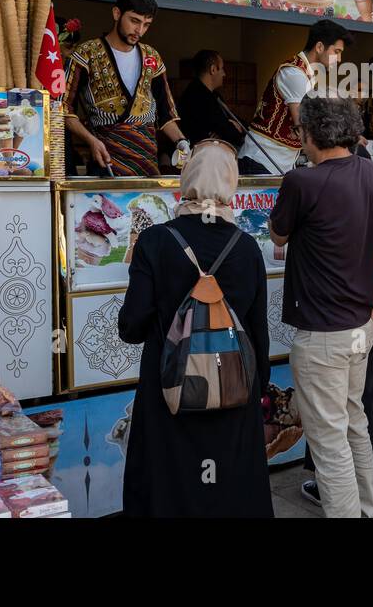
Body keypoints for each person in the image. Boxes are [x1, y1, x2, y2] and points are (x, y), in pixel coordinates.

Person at [268, 97, 373, 517]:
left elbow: (278, 237)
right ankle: (366, 510)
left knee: (331, 441)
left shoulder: (302, 182)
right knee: (355, 426)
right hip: (361, 325)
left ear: (310, 135)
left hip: (322, 334)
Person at [117, 140, 271, 517]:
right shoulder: (248, 247)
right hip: (232, 391)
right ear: (231, 184)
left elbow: (131, 327)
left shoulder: (155, 241)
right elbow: (258, 333)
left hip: (168, 394)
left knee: (169, 487)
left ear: (186, 179)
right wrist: (255, 389)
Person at [64, 0, 190, 176]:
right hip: (106, 160)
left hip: (147, 163)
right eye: (134, 21)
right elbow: (62, 108)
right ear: (116, 13)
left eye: (146, 24)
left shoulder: (152, 57)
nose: (139, 30)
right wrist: (91, 140)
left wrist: (181, 142)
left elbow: (166, 114)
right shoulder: (86, 54)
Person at [298, 285, 373, 506]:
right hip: (371, 318)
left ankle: (336, 491)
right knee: (359, 408)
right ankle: (364, 497)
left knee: (331, 421)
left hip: (338, 322)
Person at [238, 19, 353, 175]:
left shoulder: (306, 73)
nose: (339, 59)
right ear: (319, 47)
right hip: (261, 159)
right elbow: (304, 124)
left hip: (277, 162)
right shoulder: (294, 74)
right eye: (337, 52)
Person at [177, 50, 245, 150]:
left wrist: (234, 126)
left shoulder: (213, 95)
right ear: (213, 69)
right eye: (222, 69)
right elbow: (231, 134)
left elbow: (232, 122)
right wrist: (232, 128)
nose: (224, 74)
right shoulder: (199, 97)